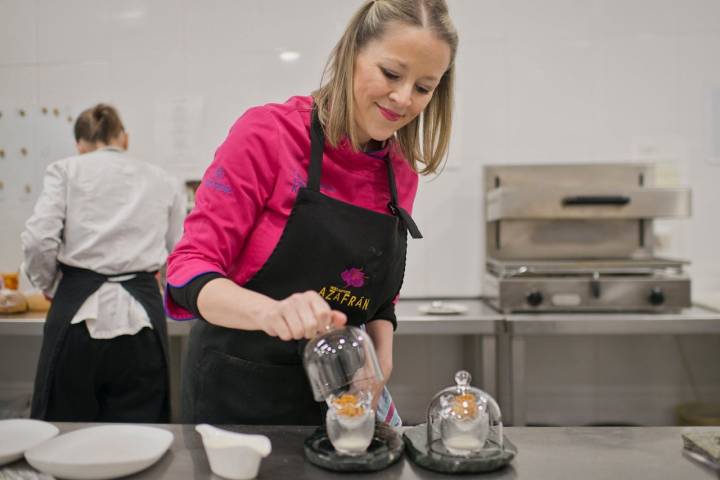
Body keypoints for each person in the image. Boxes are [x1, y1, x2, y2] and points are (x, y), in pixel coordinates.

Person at [166, 0, 458, 425]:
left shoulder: (399, 172)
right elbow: (188, 269)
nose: (403, 99)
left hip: (337, 400)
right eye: (391, 74)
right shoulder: (268, 135)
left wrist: (381, 358)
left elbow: (378, 301)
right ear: (351, 55)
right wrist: (271, 312)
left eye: (424, 87)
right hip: (237, 393)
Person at [22, 104, 186, 422]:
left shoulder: (66, 170)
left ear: (79, 145)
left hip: (77, 320)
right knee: (141, 442)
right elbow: (180, 253)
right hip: (142, 324)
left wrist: (50, 285)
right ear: (124, 139)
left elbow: (38, 241)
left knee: (64, 438)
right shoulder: (164, 180)